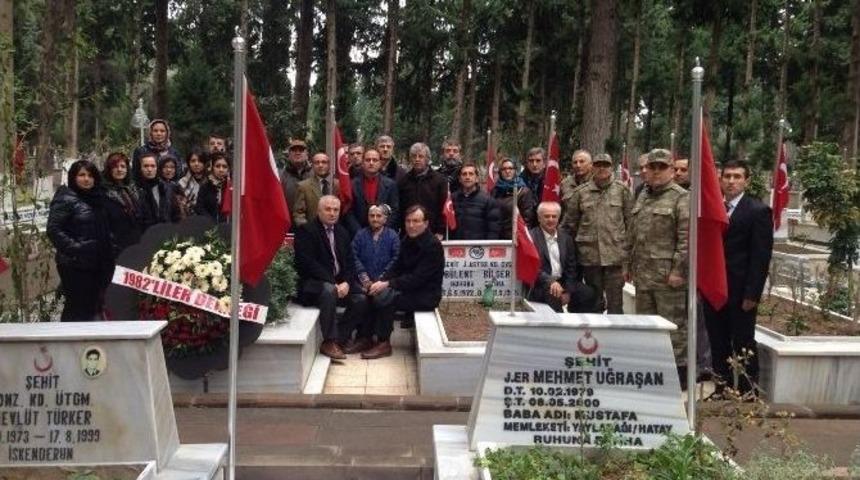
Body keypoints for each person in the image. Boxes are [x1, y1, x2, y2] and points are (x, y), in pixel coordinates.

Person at [704, 160, 773, 395]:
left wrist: (752, 294)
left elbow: (760, 257)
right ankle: (721, 388)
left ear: (747, 181)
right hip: (714, 289)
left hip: (741, 290)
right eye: (727, 176)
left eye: (737, 177)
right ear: (720, 180)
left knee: (743, 342)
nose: (731, 181)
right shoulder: (713, 209)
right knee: (718, 340)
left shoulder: (757, 211)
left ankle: (747, 391)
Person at [630, 149, 689, 378]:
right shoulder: (643, 194)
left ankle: (678, 374)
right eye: (652, 167)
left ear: (672, 171)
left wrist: (678, 271)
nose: (655, 172)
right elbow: (634, 233)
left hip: (668, 278)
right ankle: (651, 371)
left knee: (673, 327)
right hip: (643, 275)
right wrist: (629, 265)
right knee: (646, 326)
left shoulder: (681, 197)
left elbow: (686, 239)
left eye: (661, 168)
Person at [362, 205, 445, 358]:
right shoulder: (407, 239)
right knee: (372, 292)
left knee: (387, 299)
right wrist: (380, 281)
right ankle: (365, 338)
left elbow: (417, 279)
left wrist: (388, 284)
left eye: (416, 221)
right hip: (408, 289)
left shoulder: (433, 246)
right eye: (408, 221)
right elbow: (397, 266)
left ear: (426, 223)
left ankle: (383, 343)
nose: (411, 225)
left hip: (426, 295)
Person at [294, 196, 365, 360]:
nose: (332, 213)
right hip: (313, 285)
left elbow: (350, 262)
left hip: (338, 284)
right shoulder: (306, 231)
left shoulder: (342, 232)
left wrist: (347, 281)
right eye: (328, 209)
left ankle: (339, 338)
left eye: (336, 210)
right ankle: (329, 341)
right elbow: (307, 264)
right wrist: (334, 283)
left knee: (361, 298)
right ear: (318, 211)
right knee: (328, 289)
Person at [562, 153, 632, 313]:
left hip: (615, 258)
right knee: (594, 301)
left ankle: (615, 335)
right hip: (590, 258)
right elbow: (570, 225)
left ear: (611, 167)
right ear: (592, 167)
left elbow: (631, 225)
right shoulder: (581, 193)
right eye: (598, 165)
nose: (602, 169)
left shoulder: (622, 191)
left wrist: (628, 260)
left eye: (605, 165)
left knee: (615, 304)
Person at [47, 160, 114, 321]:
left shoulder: (98, 198)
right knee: (77, 308)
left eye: (90, 175)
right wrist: (76, 248)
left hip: (98, 262)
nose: (86, 179)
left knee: (93, 306)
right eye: (81, 175)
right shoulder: (66, 199)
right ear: (73, 177)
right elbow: (53, 229)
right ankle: (68, 343)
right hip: (75, 264)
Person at [347, 204, 401, 355]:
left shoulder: (393, 236)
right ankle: (364, 338)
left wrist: (381, 280)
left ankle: (383, 342)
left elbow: (396, 260)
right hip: (363, 281)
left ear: (385, 218)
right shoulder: (360, 234)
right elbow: (353, 256)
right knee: (361, 299)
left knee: (382, 299)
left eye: (379, 216)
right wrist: (364, 278)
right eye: (372, 216)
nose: (375, 219)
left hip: (384, 282)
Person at [527, 201, 595, 313]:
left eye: (554, 216)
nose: (551, 219)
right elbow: (533, 268)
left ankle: (578, 323)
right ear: (539, 218)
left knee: (587, 293)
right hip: (542, 284)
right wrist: (551, 282)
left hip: (562, 282)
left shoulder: (566, 238)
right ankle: (558, 327)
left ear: (558, 218)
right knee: (553, 294)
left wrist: (568, 291)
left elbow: (571, 267)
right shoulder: (531, 237)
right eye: (546, 216)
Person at [397, 142, 448, 238]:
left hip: (432, 233)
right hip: (408, 233)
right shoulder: (403, 181)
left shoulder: (439, 180)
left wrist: (441, 231)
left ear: (427, 159)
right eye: (414, 156)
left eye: (420, 156)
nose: (417, 159)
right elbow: (400, 208)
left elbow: (444, 207)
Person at [346, 147, 400, 235]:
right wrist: (359, 232)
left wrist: (382, 231)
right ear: (363, 163)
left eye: (375, 160)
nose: (371, 163)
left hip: (383, 236)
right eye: (368, 160)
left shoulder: (390, 185)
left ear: (380, 163)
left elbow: (394, 211)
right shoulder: (352, 185)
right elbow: (348, 212)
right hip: (358, 235)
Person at [101, 152, 142, 254]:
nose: (119, 169)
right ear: (109, 169)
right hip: (115, 249)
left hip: (135, 244)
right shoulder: (103, 192)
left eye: (123, 166)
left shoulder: (132, 189)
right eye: (115, 166)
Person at [451, 163, 500, 239]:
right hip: (457, 247)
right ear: (460, 179)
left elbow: (493, 229)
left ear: (477, 178)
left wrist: (488, 247)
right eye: (464, 174)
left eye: (471, 174)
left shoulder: (488, 201)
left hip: (479, 248)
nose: (467, 177)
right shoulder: (451, 199)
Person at [136, 153, 182, 230]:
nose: (149, 169)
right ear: (140, 168)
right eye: (146, 166)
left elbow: (175, 214)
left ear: (157, 168)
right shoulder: (135, 190)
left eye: (152, 166)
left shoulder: (167, 187)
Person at [493, 157, 537, 238]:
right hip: (497, 237)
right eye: (504, 169)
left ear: (515, 170)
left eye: (510, 168)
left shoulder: (523, 191)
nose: (507, 171)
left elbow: (527, 220)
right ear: (500, 172)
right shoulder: (495, 190)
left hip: (515, 238)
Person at [294, 153, 340, 226]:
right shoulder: (303, 186)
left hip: (335, 230)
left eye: (324, 162)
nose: (320, 165)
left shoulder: (338, 185)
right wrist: (307, 229)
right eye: (317, 162)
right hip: (312, 232)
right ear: (312, 166)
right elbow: (298, 213)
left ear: (329, 165)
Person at [195, 152, 231, 224]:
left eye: (224, 166)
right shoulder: (205, 186)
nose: (221, 170)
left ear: (228, 169)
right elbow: (199, 208)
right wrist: (211, 222)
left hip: (228, 227)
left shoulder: (231, 187)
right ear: (212, 167)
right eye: (217, 166)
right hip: (209, 228)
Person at [280, 138, 311, 218]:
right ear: (289, 155)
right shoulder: (280, 176)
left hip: (311, 225)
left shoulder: (314, 175)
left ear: (307, 154)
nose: (297, 153)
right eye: (294, 150)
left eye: (301, 150)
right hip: (288, 223)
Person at [520, 147, 545, 219]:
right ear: (527, 163)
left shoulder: (550, 183)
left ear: (544, 163)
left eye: (538, 161)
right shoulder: (518, 182)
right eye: (531, 161)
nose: (534, 164)